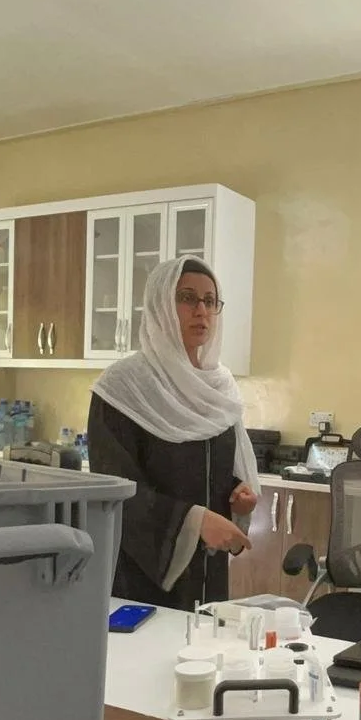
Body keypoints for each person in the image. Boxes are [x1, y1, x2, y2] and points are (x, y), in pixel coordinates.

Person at [88, 256, 258, 609]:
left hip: (209, 573)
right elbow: (115, 493)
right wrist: (193, 522)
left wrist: (238, 496)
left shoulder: (219, 386)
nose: (202, 310)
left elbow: (210, 469)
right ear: (160, 305)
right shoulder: (124, 388)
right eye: (187, 298)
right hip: (145, 578)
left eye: (210, 301)